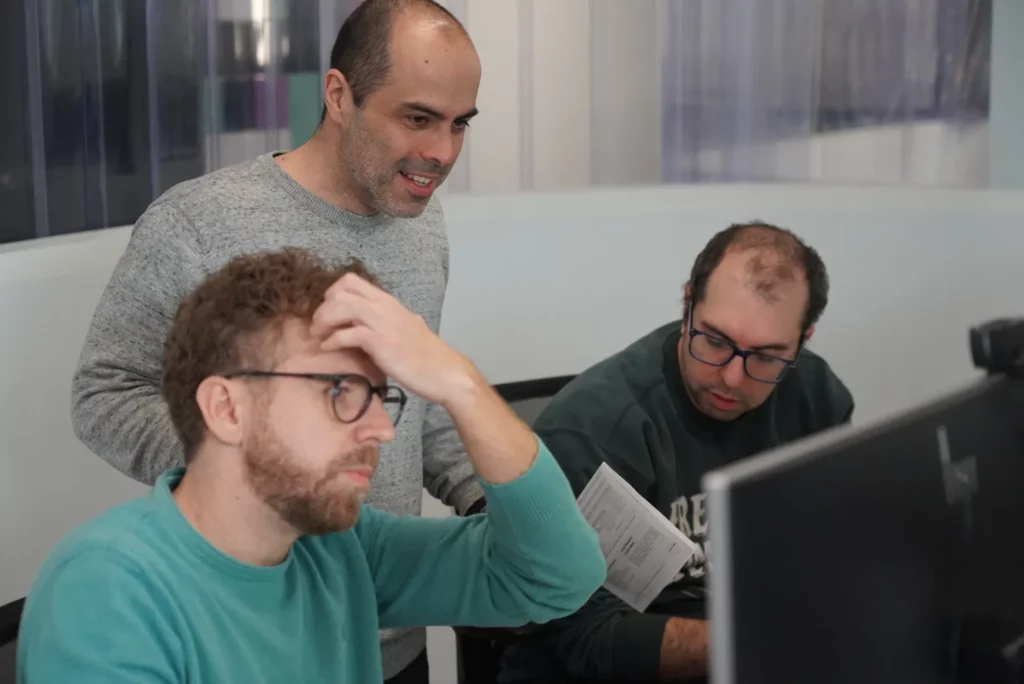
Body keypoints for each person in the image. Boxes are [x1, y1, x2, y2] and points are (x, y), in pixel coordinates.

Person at [69, 1, 484, 680]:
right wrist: (260, 471)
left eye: (458, 123)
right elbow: (103, 394)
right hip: (254, 644)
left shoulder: (421, 224)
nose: (441, 152)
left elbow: (407, 402)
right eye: (417, 118)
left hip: (390, 641)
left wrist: (479, 492)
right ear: (339, 96)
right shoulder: (198, 223)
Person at [19, 248, 606, 684]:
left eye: (383, 396)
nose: (380, 428)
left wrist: (461, 385)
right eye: (342, 391)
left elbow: (560, 577)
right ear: (227, 408)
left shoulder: (341, 547)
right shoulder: (108, 588)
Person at [499, 222, 855, 683]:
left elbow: (832, 560)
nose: (731, 378)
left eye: (767, 357)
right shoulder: (596, 431)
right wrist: (761, 642)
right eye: (715, 341)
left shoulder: (816, 399)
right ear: (688, 304)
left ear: (802, 339)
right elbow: (588, 641)